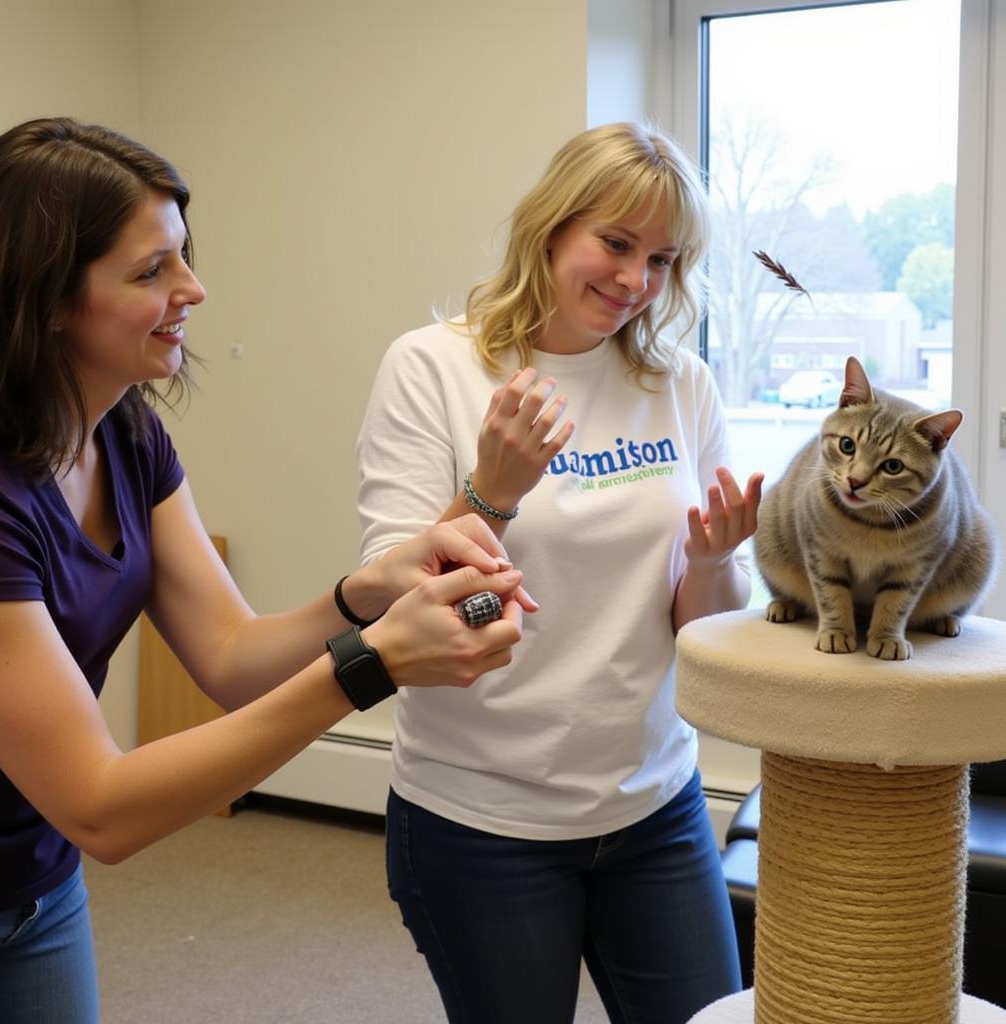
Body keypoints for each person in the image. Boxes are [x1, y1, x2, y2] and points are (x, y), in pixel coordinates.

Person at [0, 117, 532, 1024]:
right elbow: (101, 807)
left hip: (34, 882)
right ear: (46, 299)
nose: (193, 289)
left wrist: (367, 595)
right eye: (149, 270)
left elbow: (232, 656)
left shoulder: (127, 433)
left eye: (184, 257)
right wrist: (372, 666)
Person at [357, 121, 765, 1024]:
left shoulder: (679, 382)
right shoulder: (435, 368)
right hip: (482, 821)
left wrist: (711, 559)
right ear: (550, 227)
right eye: (615, 243)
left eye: (661, 259)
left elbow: (701, 631)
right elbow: (400, 607)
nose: (634, 281)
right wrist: (491, 493)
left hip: (655, 802)